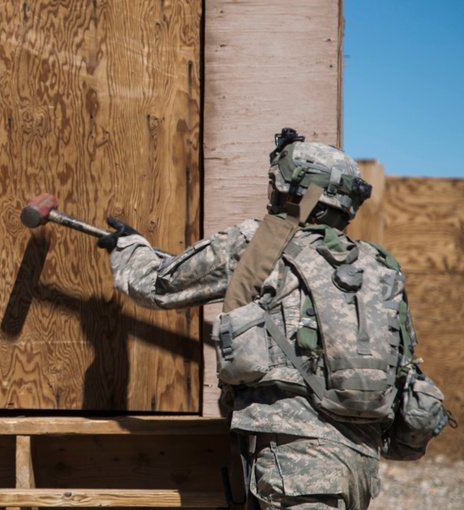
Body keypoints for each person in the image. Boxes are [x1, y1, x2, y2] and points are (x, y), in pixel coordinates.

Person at [96, 129, 448, 509]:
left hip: (293, 458)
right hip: (360, 461)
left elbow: (156, 284)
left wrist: (128, 247)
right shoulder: (378, 266)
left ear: (295, 193)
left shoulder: (259, 243)